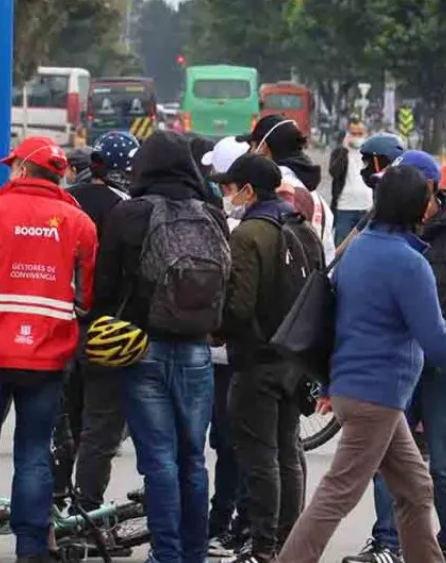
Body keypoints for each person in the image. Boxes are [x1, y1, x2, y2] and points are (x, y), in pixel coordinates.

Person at [274, 166, 446, 563]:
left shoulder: (360, 247)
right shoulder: (407, 262)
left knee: (415, 490)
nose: (433, 205)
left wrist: (333, 385)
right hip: (376, 395)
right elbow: (436, 338)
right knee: (337, 493)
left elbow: (341, 324)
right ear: (415, 205)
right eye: (429, 198)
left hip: (362, 389)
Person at [0, 137, 98, 563]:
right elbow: (87, 293)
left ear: (20, 171)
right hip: (47, 358)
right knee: (34, 454)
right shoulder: (79, 223)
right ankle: (31, 549)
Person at [348, 151, 446, 563]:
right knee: (387, 459)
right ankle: (387, 542)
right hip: (396, 367)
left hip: (444, 369)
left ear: (430, 190)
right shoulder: (383, 230)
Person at [93, 131, 227, 563]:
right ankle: (195, 553)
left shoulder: (127, 214)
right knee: (193, 458)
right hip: (197, 352)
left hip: (142, 348)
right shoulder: (212, 213)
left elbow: (105, 287)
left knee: (159, 460)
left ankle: (165, 554)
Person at [216, 153, 325, 563]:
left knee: (260, 458)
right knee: (287, 452)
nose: (230, 194)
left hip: (257, 361)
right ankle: (288, 543)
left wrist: (218, 329)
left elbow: (239, 306)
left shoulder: (248, 236)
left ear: (249, 189)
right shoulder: (304, 231)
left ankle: (263, 546)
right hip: (296, 360)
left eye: (232, 187)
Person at [58, 131, 138, 512]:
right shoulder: (127, 208)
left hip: (57, 327)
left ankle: (54, 506)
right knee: (99, 429)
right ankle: (86, 512)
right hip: (108, 330)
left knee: (63, 423)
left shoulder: (65, 200)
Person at [203, 136, 252, 556]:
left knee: (226, 444)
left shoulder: (234, 228)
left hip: (224, 355)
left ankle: (223, 521)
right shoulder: (297, 214)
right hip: (243, 354)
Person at [242, 114, 337, 262]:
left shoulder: (278, 191)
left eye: (253, 146)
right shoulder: (314, 195)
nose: (250, 152)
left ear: (264, 148)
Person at [330, 118, 374, 242]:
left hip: (366, 208)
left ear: (366, 134)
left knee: (364, 246)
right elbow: (334, 172)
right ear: (347, 134)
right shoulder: (339, 152)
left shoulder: (371, 154)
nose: (357, 137)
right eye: (353, 134)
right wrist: (344, 150)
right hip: (344, 208)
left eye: (360, 134)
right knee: (341, 247)